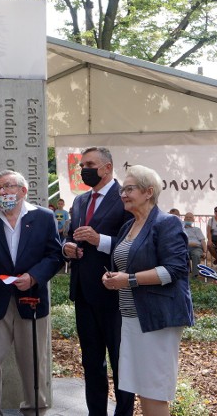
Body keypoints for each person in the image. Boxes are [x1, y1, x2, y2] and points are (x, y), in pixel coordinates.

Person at [101, 165, 193, 416]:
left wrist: (128, 280)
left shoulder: (167, 223)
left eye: (129, 189)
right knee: (141, 388)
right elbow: (123, 265)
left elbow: (174, 271)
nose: (123, 194)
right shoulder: (127, 226)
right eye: (122, 190)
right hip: (131, 318)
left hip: (157, 319)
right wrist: (111, 277)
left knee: (154, 390)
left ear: (148, 192)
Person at [0, 170, 63, 416]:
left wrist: (34, 276)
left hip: (31, 299)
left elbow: (55, 255)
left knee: (34, 363)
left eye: (8, 187)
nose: (3, 192)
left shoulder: (44, 217)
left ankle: (35, 409)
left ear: (23, 191)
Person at [63, 146, 135, 416]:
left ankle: (123, 412)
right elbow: (70, 235)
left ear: (107, 167)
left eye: (89, 164)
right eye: (82, 165)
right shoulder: (80, 201)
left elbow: (135, 244)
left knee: (120, 361)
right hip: (83, 293)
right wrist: (67, 248)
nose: (84, 169)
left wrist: (100, 240)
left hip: (115, 295)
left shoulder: (125, 198)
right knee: (91, 361)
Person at [182, 212, 206, 277]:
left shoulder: (197, 229)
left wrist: (205, 252)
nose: (188, 219)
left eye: (190, 217)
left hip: (196, 248)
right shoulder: (181, 229)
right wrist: (188, 244)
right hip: (184, 248)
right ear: (184, 219)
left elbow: (203, 241)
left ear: (193, 220)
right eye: (187, 217)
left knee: (196, 254)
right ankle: (184, 275)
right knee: (181, 254)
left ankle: (194, 276)